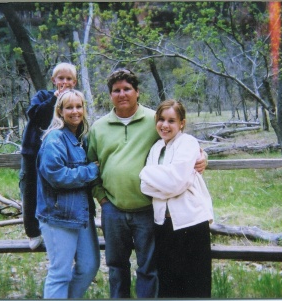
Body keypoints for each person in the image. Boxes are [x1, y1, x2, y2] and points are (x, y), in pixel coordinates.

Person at [87, 69, 208, 298]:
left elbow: (181, 141)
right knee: (116, 266)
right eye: (116, 90)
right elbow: (90, 164)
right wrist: (102, 198)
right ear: (110, 95)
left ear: (137, 92)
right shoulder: (98, 128)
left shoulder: (154, 120)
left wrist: (203, 156)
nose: (122, 94)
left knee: (148, 268)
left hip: (147, 210)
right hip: (112, 208)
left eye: (127, 89)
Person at [139, 99, 214, 298]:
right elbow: (145, 186)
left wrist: (148, 174)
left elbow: (175, 182)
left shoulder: (188, 143)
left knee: (195, 284)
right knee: (169, 283)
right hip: (163, 224)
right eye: (161, 119)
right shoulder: (156, 148)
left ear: (181, 123)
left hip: (191, 223)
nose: (165, 125)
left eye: (171, 120)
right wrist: (157, 179)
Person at [36, 89, 100, 299]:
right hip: (58, 216)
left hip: (81, 214)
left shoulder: (82, 137)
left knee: (89, 266)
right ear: (60, 111)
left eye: (79, 106)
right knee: (60, 273)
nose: (75, 111)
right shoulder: (55, 138)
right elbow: (56, 175)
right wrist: (91, 170)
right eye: (69, 107)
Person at [20, 62, 78, 249]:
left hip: (57, 156)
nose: (64, 82)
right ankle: (33, 232)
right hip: (33, 152)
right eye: (61, 78)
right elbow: (34, 114)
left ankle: (57, 226)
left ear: (74, 82)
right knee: (30, 191)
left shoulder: (73, 101)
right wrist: (54, 99)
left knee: (55, 191)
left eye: (69, 79)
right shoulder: (43, 96)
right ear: (54, 80)